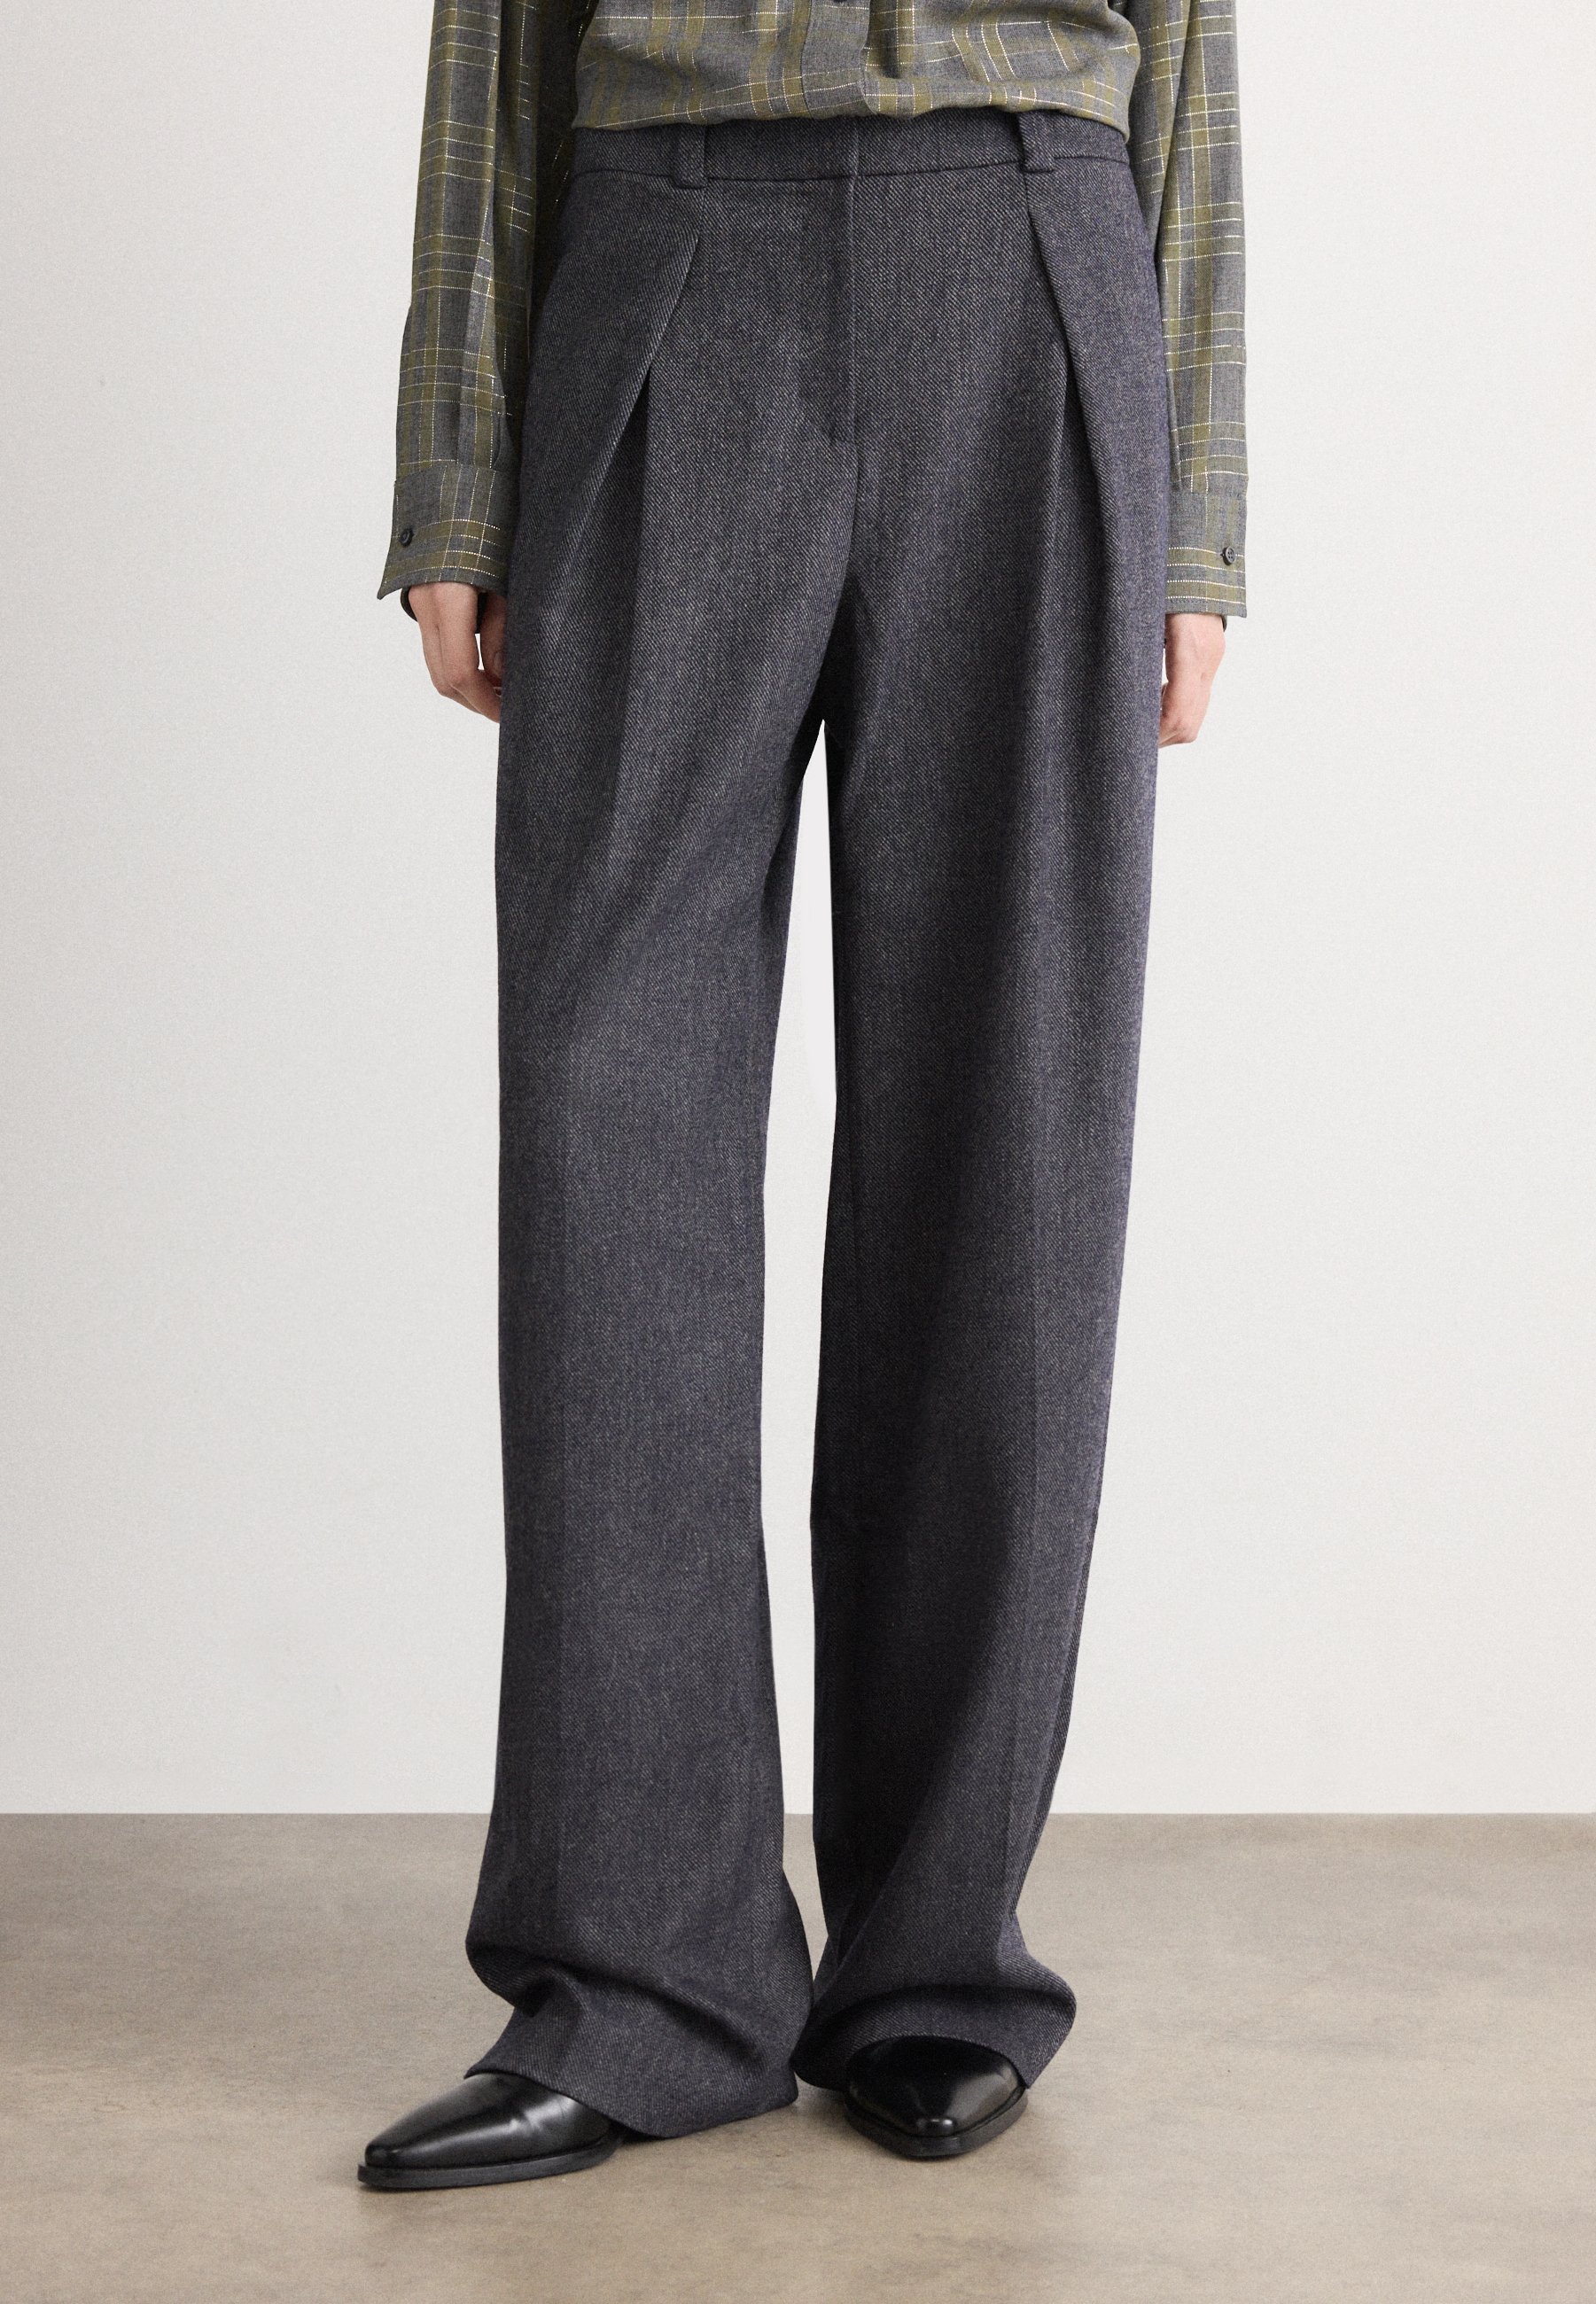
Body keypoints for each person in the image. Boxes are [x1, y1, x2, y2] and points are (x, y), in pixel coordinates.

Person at [359, 0, 1245, 2191]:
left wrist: (1197, 515)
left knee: (1004, 1146)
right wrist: (456, 463)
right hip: (665, 252)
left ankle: (937, 1964)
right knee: (610, 1138)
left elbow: (1197, 51)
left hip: (1029, 257)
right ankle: (638, 1982)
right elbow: (493, 47)